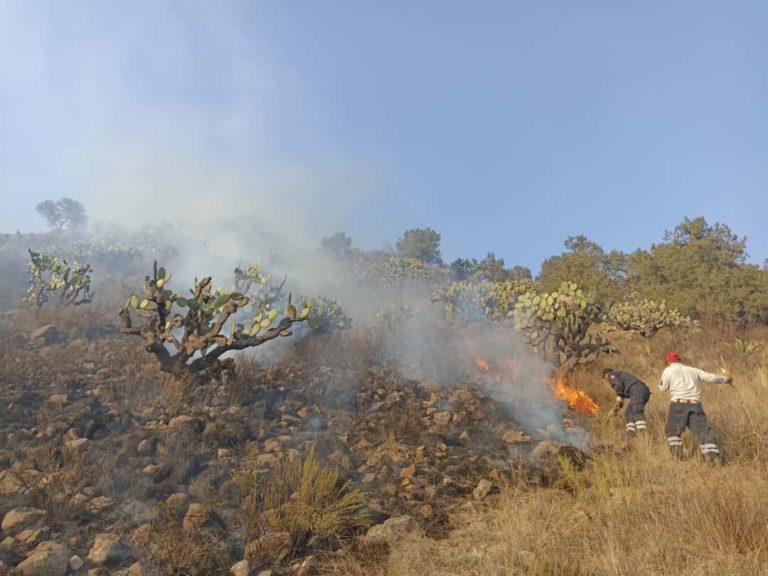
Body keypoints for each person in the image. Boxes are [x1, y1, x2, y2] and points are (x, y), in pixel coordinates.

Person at [659, 352, 732, 461]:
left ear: (667, 361)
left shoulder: (668, 370)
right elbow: (711, 377)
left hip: (678, 405)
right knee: (703, 431)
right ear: (680, 360)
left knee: (673, 431)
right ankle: (713, 458)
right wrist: (726, 380)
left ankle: (678, 458)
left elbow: (662, 388)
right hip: (695, 405)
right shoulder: (693, 370)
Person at [603, 368, 651, 438]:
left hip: (637, 390)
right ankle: (631, 435)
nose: (606, 380)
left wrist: (618, 395)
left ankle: (643, 434)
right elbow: (620, 400)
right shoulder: (619, 376)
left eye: (604, 377)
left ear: (606, 374)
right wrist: (615, 410)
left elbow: (618, 385)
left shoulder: (611, 375)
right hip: (638, 392)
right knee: (628, 413)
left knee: (636, 410)